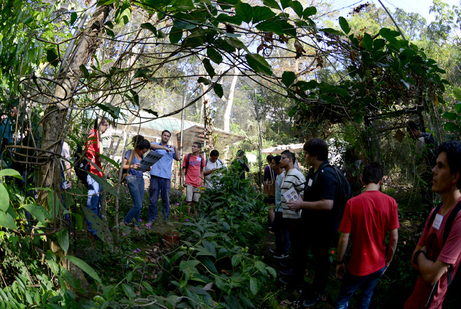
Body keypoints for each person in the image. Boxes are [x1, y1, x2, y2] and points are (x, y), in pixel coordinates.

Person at [335, 162, 399, 309]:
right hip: (378, 265)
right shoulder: (391, 203)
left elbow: (344, 238)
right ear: (381, 181)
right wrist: (388, 260)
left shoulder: (352, 203)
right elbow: (394, 237)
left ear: (362, 181)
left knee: (343, 298)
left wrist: (339, 262)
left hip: (358, 265)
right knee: (366, 298)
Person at [405, 141, 461, 309]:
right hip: (415, 299)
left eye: (440, 166)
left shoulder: (459, 218)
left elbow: (431, 275)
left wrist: (421, 256)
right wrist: (422, 259)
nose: (433, 171)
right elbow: (413, 260)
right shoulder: (436, 211)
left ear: (455, 176)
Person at [286, 138, 339, 307]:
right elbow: (310, 194)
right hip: (309, 222)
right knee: (299, 247)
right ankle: (297, 278)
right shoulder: (313, 171)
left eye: (307, 153)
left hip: (323, 227)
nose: (305, 156)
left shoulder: (327, 174)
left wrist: (302, 204)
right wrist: (299, 200)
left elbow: (328, 204)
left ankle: (318, 291)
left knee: (321, 258)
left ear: (315, 155)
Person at [278, 150, 305, 281]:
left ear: (290, 159)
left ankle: (297, 276)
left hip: (296, 218)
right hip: (289, 217)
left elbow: (304, 193)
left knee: (297, 247)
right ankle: (293, 270)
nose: (280, 161)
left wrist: (299, 204)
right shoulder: (286, 175)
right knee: (294, 246)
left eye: (283, 158)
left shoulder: (296, 175)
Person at [148, 130, 180, 225]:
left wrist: (175, 148)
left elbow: (178, 158)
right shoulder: (156, 145)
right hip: (155, 176)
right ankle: (151, 219)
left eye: (168, 136)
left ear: (169, 138)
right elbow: (150, 146)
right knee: (153, 199)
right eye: (165, 135)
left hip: (166, 177)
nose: (166, 137)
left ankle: (166, 219)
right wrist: (164, 148)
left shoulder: (172, 148)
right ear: (161, 135)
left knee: (166, 199)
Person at [85, 117, 109, 239]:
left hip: (97, 173)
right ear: (100, 125)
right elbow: (98, 157)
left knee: (97, 204)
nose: (107, 128)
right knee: (93, 204)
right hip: (93, 173)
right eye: (105, 125)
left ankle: (96, 229)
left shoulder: (95, 135)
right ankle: (92, 230)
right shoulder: (94, 135)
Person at [407, 120, 438, 212]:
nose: (411, 136)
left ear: (415, 130)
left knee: (426, 196)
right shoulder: (428, 135)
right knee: (432, 195)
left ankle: (427, 215)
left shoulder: (420, 140)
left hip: (425, 171)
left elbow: (417, 159)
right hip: (433, 169)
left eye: (411, 134)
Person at [120, 135, 151, 226]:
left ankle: (136, 225)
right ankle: (125, 222)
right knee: (138, 205)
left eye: (145, 152)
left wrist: (146, 168)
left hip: (140, 179)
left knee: (139, 206)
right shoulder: (130, 153)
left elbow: (141, 169)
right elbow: (122, 166)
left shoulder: (142, 157)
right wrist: (132, 166)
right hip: (131, 178)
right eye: (142, 151)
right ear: (138, 147)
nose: (143, 153)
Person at [270, 155, 290, 260]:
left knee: (283, 230)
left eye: (273, 163)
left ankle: (285, 252)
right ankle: (280, 249)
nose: (271, 165)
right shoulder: (278, 176)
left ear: (278, 165)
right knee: (277, 229)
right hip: (279, 208)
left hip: (283, 209)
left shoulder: (283, 176)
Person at [182, 142, 205, 216]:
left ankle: (195, 214)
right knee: (188, 200)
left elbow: (202, 170)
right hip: (189, 182)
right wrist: (183, 180)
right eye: (192, 146)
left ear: (199, 148)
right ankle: (188, 216)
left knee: (195, 200)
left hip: (198, 183)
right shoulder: (187, 156)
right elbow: (183, 169)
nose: (193, 148)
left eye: (195, 146)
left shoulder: (201, 158)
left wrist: (202, 181)